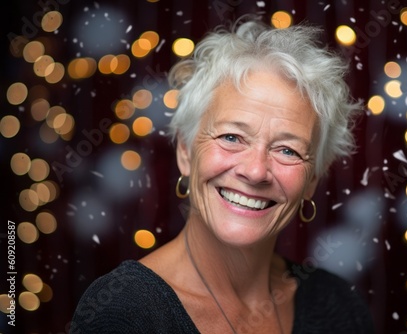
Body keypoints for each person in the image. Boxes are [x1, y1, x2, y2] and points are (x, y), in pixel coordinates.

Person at [70, 16, 374, 334]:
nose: (255, 171)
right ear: (186, 152)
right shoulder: (123, 313)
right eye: (231, 137)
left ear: (312, 180)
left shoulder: (338, 306)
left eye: (288, 150)